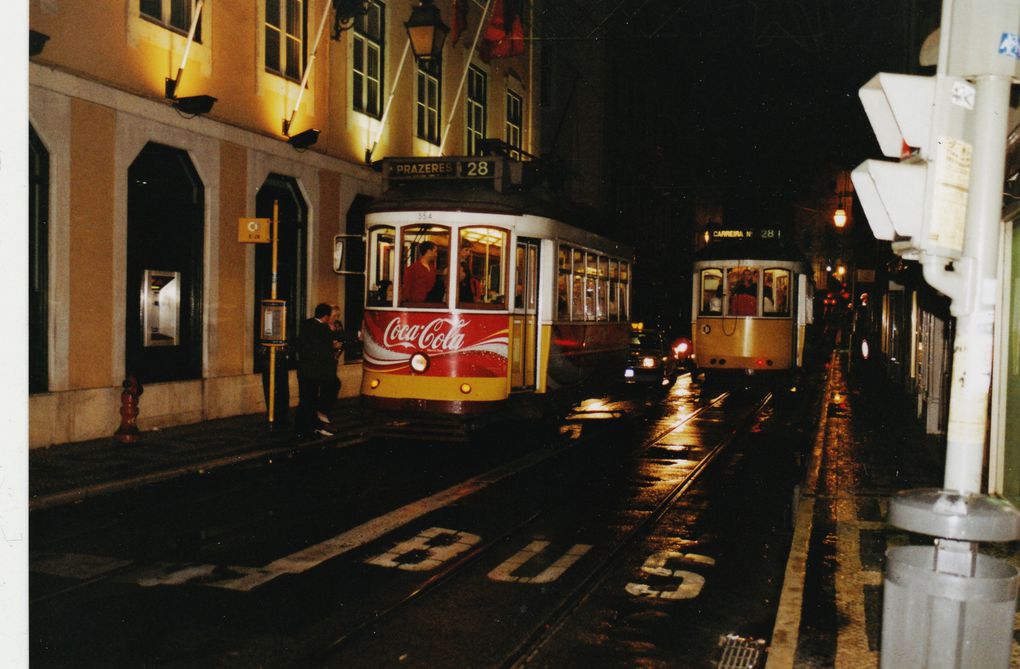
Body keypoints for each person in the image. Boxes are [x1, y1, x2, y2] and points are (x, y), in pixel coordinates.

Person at [294, 302, 340, 438]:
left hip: (305, 370)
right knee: (310, 400)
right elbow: (337, 336)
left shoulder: (307, 324)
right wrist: (359, 333)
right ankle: (311, 426)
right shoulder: (321, 328)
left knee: (306, 400)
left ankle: (305, 428)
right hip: (313, 371)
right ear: (326, 316)